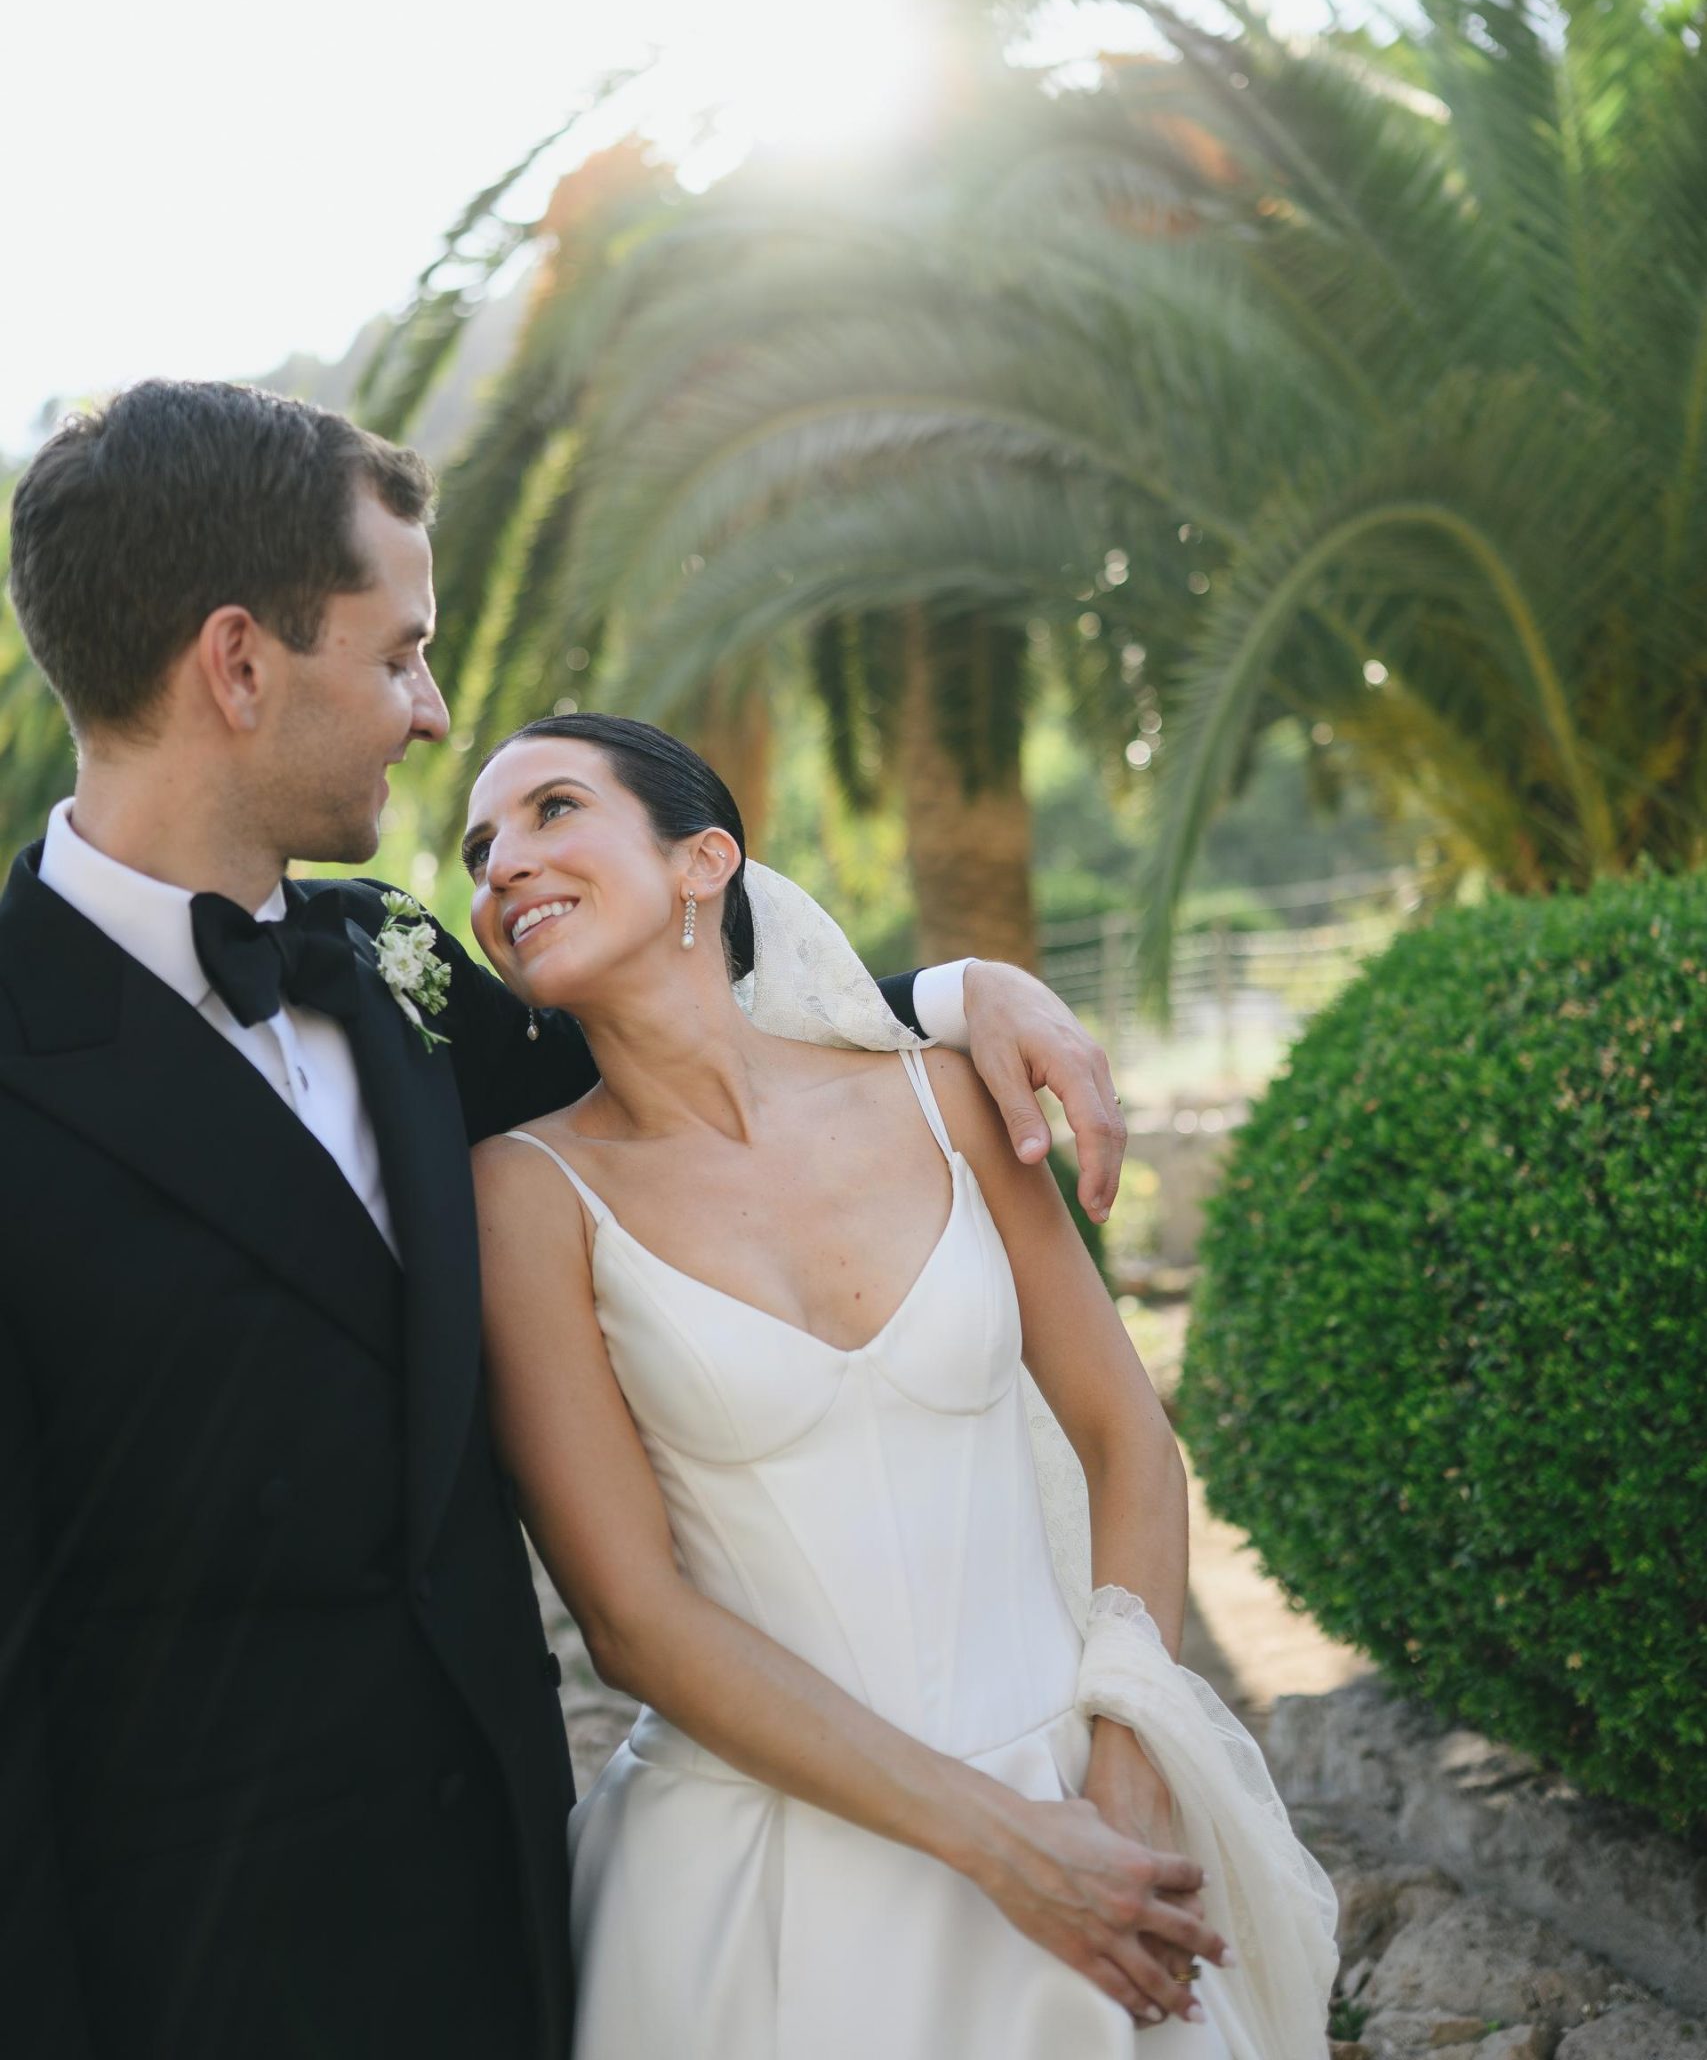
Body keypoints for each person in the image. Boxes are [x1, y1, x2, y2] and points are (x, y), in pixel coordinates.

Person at [0, 379, 1131, 2060]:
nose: (435, 712)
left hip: (518, 1917)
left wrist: (962, 993)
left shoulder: (390, 971)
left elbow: (672, 1034)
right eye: (397, 655)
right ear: (238, 666)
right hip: (192, 1962)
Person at [463, 714, 1339, 2059]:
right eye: (479, 850)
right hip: (755, 1883)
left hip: (1086, 1808)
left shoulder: (945, 1101)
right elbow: (632, 1618)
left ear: (704, 862)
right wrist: (998, 1843)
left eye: (552, 811)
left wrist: (1125, 1775)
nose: (502, 865)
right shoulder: (527, 1194)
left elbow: (1130, 1447)